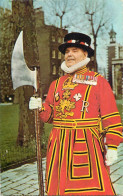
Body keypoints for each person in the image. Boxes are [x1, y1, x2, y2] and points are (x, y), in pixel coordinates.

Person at [29, 32, 122, 195]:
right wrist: (40, 108)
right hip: (58, 146)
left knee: (88, 190)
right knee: (59, 188)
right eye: (67, 51)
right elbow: (50, 116)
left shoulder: (98, 81)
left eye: (75, 50)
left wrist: (112, 146)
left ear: (85, 54)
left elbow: (111, 116)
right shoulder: (56, 84)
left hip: (86, 144)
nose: (69, 55)